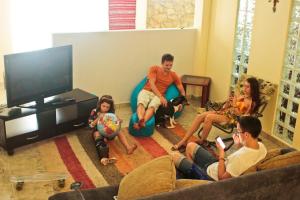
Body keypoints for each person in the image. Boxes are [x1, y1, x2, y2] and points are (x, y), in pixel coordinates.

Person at [171, 77, 260, 151]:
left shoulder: (252, 103)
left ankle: (202, 140)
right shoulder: (242, 95)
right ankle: (184, 141)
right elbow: (227, 107)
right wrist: (228, 102)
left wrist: (234, 105)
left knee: (209, 117)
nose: (244, 89)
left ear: (253, 88)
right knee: (200, 116)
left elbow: (243, 117)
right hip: (225, 112)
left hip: (232, 119)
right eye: (244, 86)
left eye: (247, 87)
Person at [172, 116, 267, 181]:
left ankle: (197, 177)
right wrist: (239, 144)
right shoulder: (262, 147)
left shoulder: (239, 159)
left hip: (210, 177)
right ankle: (193, 175)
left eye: (238, 131)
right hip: (217, 165)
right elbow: (247, 153)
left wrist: (221, 153)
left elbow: (222, 179)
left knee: (174, 156)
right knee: (190, 146)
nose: (236, 133)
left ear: (246, 135)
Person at [133, 53, 186, 130]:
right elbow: (152, 84)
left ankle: (142, 122)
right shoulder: (154, 69)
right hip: (147, 91)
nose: (169, 67)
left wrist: (181, 102)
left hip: (159, 95)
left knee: (152, 107)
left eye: (170, 65)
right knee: (141, 103)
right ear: (162, 63)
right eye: (166, 65)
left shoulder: (173, 75)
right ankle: (141, 119)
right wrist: (161, 97)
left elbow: (181, 89)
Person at [89, 95, 137, 165]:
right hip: (97, 132)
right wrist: (98, 118)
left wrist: (119, 121)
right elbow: (90, 125)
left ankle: (128, 148)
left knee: (119, 131)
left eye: (107, 107)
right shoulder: (94, 111)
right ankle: (104, 158)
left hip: (108, 133)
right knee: (99, 137)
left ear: (110, 107)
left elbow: (115, 124)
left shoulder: (111, 113)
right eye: (103, 106)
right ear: (100, 104)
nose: (105, 108)